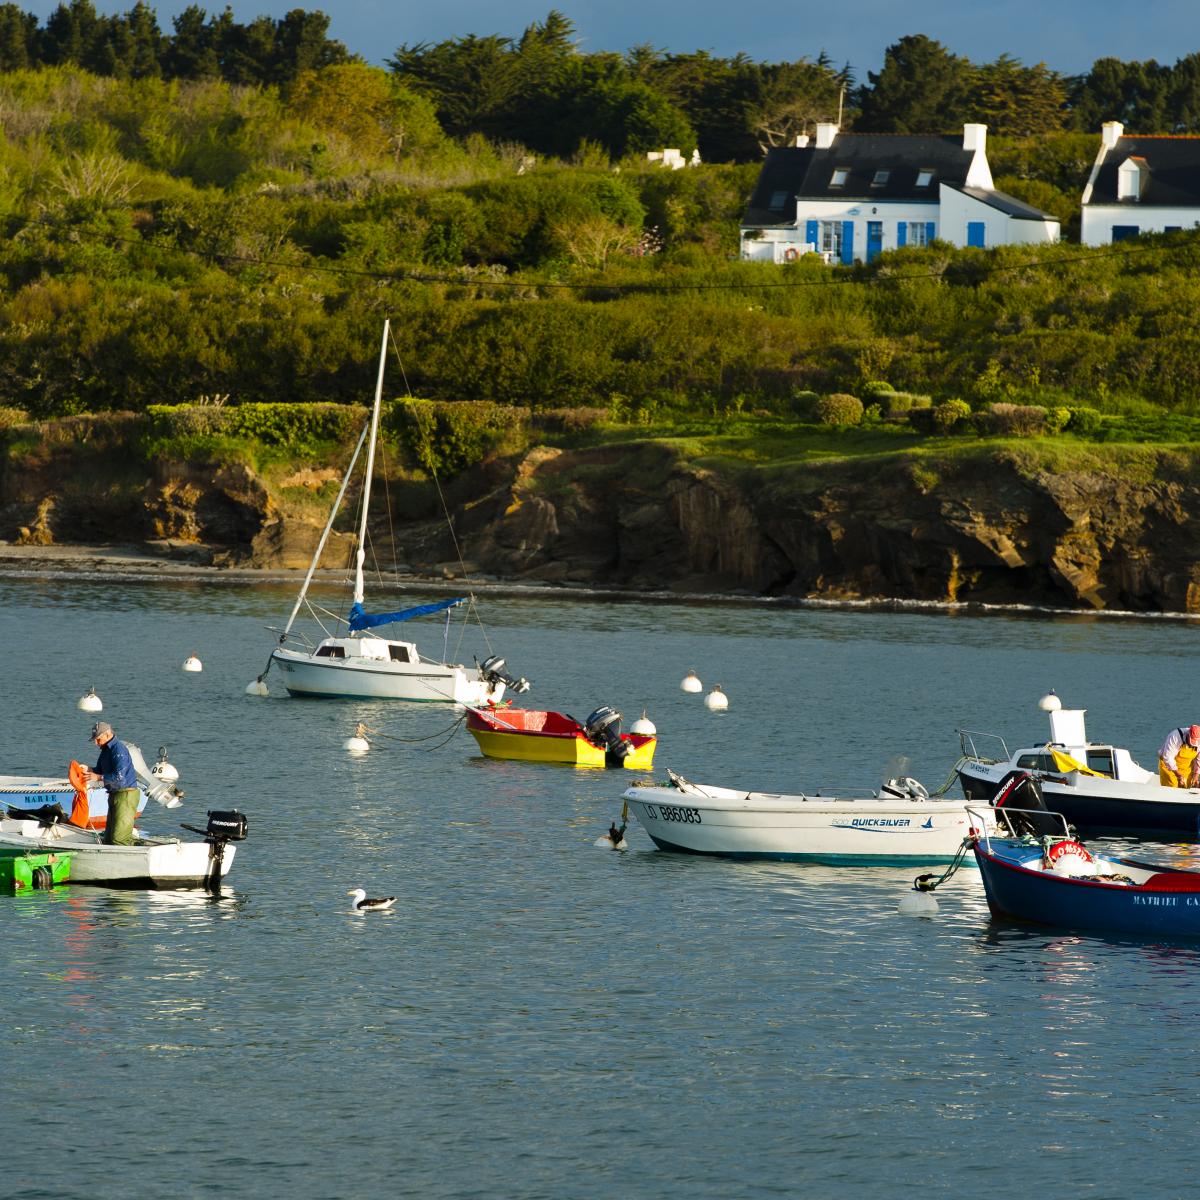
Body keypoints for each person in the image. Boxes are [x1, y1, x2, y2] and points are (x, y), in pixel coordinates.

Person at [83, 721, 139, 845]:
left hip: (126, 795)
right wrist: (89, 770)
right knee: (109, 838)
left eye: (98, 739)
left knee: (119, 839)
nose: (95, 743)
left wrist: (97, 777)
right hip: (115, 795)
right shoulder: (105, 750)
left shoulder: (118, 749)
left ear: (108, 734)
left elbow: (119, 777)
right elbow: (100, 770)